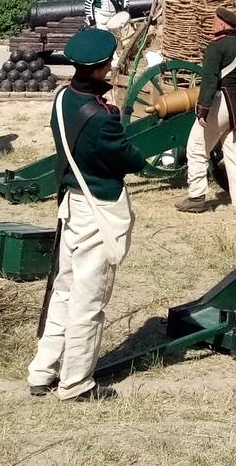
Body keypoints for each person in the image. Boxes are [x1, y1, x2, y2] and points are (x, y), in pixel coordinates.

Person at [25, 28, 147, 402]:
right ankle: (76, 382)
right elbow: (126, 158)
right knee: (88, 298)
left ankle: (42, 371)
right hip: (98, 208)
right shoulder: (102, 117)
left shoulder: (64, 97)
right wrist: (143, 160)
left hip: (71, 204)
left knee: (64, 290)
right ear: (101, 68)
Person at [176, 8, 236, 216]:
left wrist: (203, 109)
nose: (212, 25)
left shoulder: (216, 47)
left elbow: (210, 80)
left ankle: (196, 197)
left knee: (196, 147)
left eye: (214, 22)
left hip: (220, 103)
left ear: (222, 25)